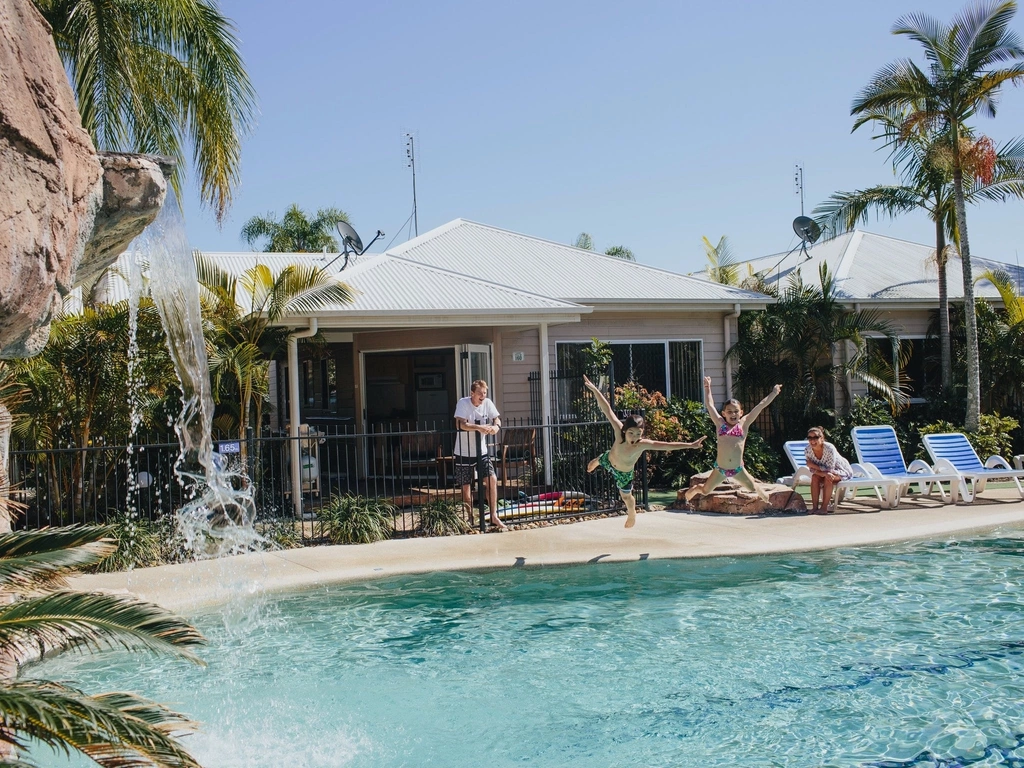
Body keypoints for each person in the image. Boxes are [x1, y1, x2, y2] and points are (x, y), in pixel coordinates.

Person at [583, 374, 706, 528]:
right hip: (608, 459)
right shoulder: (618, 431)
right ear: (625, 430)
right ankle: (597, 461)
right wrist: (595, 390)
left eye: (638, 434)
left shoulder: (642, 444)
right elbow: (607, 409)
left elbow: (666, 445)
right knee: (593, 464)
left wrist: (691, 445)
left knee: (627, 498)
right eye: (631, 433)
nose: (634, 437)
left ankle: (632, 513)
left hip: (623, 473)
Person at [684, 376, 781, 505]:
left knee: (752, 488)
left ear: (741, 412)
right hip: (720, 469)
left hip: (738, 469)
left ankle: (759, 489)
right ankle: (692, 493)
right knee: (706, 491)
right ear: (724, 413)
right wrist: (707, 388)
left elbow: (761, 405)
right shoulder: (720, 424)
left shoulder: (744, 424)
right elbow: (710, 404)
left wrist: (774, 393)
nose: (733, 414)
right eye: (729, 412)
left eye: (736, 411)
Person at [454, 379, 507, 531]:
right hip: (463, 452)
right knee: (466, 488)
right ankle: (470, 518)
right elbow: (460, 424)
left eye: (484, 393)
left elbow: (497, 418)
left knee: (492, 479)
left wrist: (496, 426)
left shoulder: (488, 403)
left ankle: (494, 515)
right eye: (479, 394)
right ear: (472, 393)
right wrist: (479, 427)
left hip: (481, 451)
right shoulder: (463, 403)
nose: (482, 396)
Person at [804, 426, 853, 514]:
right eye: (809, 438)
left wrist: (815, 467)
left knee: (828, 478)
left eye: (815, 437)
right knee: (815, 477)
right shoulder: (807, 450)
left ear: (821, 438)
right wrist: (819, 471)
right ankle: (815, 507)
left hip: (840, 470)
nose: (812, 440)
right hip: (825, 472)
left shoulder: (829, 448)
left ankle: (824, 508)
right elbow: (811, 469)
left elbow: (830, 469)